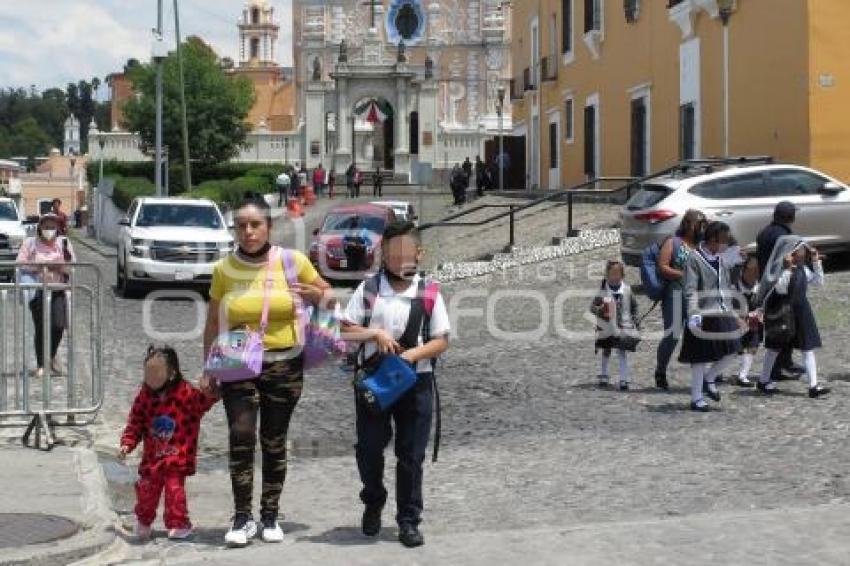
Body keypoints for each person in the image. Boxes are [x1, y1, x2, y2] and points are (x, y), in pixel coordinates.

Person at [201, 194, 333, 547]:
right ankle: (242, 517)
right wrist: (207, 368)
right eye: (241, 225)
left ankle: (270, 515)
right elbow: (213, 320)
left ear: (268, 226)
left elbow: (328, 295)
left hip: (284, 363)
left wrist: (318, 296)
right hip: (237, 363)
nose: (248, 231)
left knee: (273, 441)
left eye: (255, 224)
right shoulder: (223, 269)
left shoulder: (292, 261)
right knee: (240, 436)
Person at [341, 221, 450, 548]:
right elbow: (345, 330)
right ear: (383, 255)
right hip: (375, 383)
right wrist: (374, 333)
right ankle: (373, 498)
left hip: (416, 382)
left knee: (411, 455)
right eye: (391, 252)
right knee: (369, 449)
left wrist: (412, 355)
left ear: (419, 253)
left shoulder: (430, 291)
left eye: (405, 251)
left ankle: (408, 520)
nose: (398, 258)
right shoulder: (369, 289)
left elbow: (442, 340)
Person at [119, 346, 219, 541]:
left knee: (175, 491)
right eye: (148, 373)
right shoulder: (144, 397)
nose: (151, 379)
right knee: (146, 490)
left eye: (156, 374)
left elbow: (204, 402)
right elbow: (135, 423)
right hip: (152, 456)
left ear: (172, 373)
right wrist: (127, 443)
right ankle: (143, 521)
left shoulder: (186, 393)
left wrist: (214, 389)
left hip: (178, 453)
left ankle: (178, 523)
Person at [678, 221, 745, 412]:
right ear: (712, 239)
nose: (726, 245)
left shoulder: (722, 259)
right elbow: (690, 290)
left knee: (734, 347)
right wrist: (693, 314)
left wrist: (734, 313)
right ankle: (696, 398)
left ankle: (710, 377)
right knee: (700, 358)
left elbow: (725, 287)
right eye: (723, 241)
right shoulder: (694, 258)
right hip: (703, 313)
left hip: (722, 311)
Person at [757, 237, 828, 398]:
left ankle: (813, 386)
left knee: (807, 348)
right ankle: (763, 380)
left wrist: (816, 262)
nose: (804, 253)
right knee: (774, 348)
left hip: (802, 312)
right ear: (791, 253)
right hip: (783, 313)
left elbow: (818, 282)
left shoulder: (803, 269)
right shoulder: (781, 270)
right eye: (801, 250)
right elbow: (781, 289)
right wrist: (788, 269)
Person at [16, 213, 76, 378]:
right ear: (39, 228)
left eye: (52, 227)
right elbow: (20, 263)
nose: (49, 230)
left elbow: (73, 266)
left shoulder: (63, 243)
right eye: (46, 227)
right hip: (37, 291)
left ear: (57, 228)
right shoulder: (30, 243)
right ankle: (42, 365)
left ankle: (50, 356)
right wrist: (40, 266)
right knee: (41, 327)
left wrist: (59, 267)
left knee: (58, 325)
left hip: (58, 290)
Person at [653, 209, 707, 390]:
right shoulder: (673, 242)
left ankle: (701, 377)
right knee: (673, 335)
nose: (701, 227)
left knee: (698, 336)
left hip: (696, 298)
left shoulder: (702, 247)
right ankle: (660, 370)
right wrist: (685, 274)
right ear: (687, 224)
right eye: (698, 223)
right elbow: (662, 266)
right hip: (675, 295)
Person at [756, 201, 803, 380]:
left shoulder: (764, 232)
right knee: (785, 327)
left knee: (775, 327)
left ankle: (781, 365)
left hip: (766, 284)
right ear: (790, 217)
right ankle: (781, 366)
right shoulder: (784, 236)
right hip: (781, 285)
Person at [589, 260, 639, 390]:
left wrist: (635, 320)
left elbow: (634, 306)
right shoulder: (603, 291)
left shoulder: (627, 290)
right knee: (606, 350)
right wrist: (600, 310)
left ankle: (623, 378)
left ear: (622, 275)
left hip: (623, 327)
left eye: (618, 274)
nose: (615, 277)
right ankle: (604, 373)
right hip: (606, 328)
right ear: (607, 275)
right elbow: (592, 307)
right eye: (612, 274)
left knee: (622, 351)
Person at [733, 256, 762, 388]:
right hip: (734, 322)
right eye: (750, 272)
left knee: (753, 345)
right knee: (730, 349)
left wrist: (759, 313)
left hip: (752, 321)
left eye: (755, 273)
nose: (752, 276)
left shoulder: (759, 287)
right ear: (743, 271)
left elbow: (763, 304)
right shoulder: (734, 287)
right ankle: (714, 374)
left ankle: (742, 375)